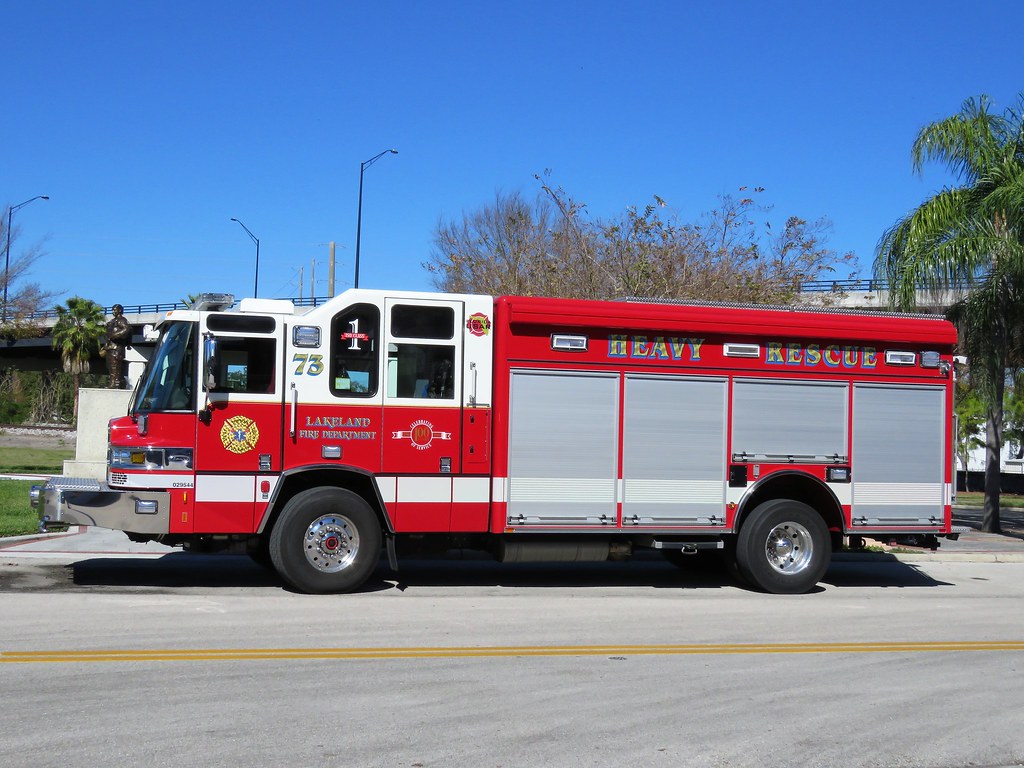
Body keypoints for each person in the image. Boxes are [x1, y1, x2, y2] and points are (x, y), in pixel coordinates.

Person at [104, 304, 132, 389]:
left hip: (117, 348)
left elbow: (127, 329)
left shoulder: (121, 320)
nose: (113, 312)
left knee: (114, 367)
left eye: (115, 310)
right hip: (110, 347)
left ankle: (115, 384)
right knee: (110, 367)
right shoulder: (113, 321)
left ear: (119, 310)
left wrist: (115, 335)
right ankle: (115, 383)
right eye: (112, 310)